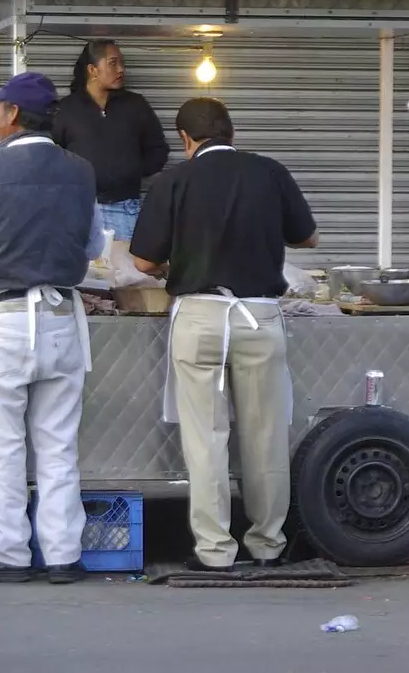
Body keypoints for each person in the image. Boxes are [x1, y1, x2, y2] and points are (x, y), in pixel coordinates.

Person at [130, 97, 318, 571]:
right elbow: (308, 237)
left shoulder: (173, 179)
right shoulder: (269, 172)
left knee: (206, 437)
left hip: (200, 318)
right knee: (265, 434)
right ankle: (268, 545)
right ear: (231, 133)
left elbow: (143, 262)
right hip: (259, 316)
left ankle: (215, 551)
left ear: (186, 139)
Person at [0, 72, 105, 584]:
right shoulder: (81, 171)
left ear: (12, 114)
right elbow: (95, 247)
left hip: (5, 318)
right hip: (62, 317)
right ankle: (63, 555)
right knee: (58, 444)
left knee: (1, 444)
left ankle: (9, 553)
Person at [53, 39, 169, 241]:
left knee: (126, 271)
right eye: (113, 63)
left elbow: (158, 150)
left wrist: (131, 170)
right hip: (80, 208)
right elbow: (52, 155)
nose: (121, 69)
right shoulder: (66, 110)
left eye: (121, 63)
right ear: (92, 70)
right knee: (82, 271)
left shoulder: (136, 105)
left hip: (125, 208)